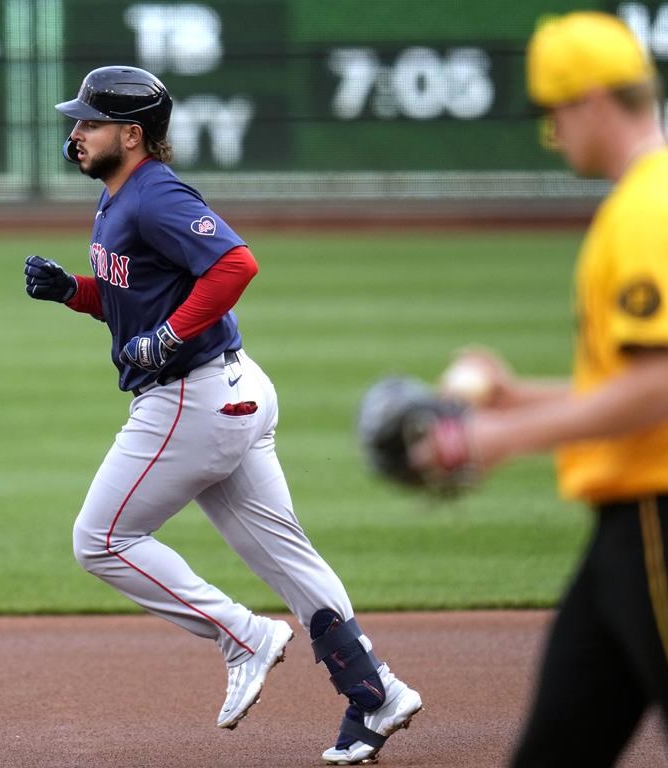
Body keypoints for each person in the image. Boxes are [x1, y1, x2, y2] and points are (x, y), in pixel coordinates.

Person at [23, 65, 421, 765]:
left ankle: (241, 635)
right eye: (77, 120)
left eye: (88, 122)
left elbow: (235, 265)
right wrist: (73, 292)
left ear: (132, 135)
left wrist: (169, 337)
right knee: (288, 559)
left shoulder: (153, 195)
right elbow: (135, 298)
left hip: (193, 398)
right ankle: (375, 694)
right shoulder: (121, 198)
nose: (75, 132)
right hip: (228, 393)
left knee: (101, 539)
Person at [414, 12, 668, 768]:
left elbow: (665, 389)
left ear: (590, 103)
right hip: (639, 533)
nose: (553, 133)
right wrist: (516, 398)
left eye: (553, 112)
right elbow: (643, 379)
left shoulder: (648, 212)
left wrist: (497, 439)